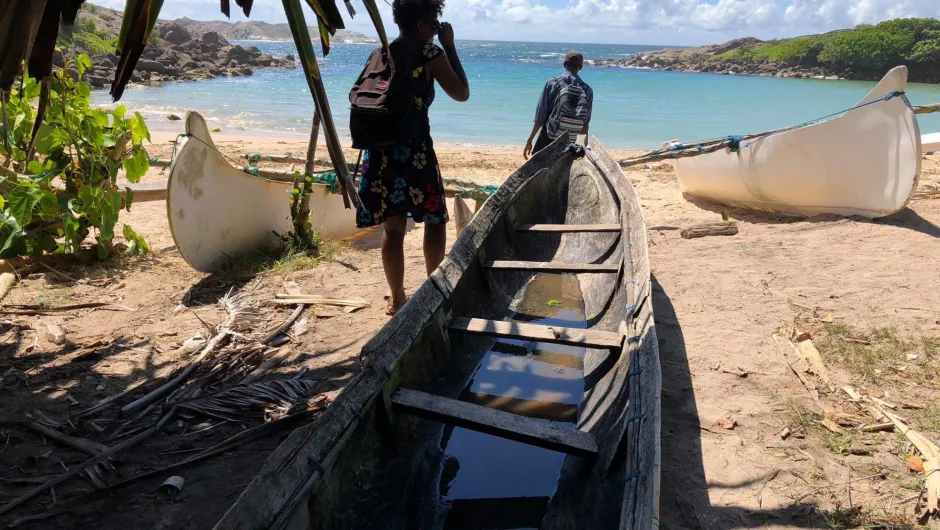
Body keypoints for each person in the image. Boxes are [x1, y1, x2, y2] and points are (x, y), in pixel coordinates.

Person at [355, 0, 469, 316]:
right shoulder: (430, 53)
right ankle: (433, 292)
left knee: (393, 228)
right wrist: (450, 46)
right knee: (434, 220)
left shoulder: (380, 52)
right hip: (415, 153)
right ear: (420, 25)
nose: (437, 29)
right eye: (435, 23)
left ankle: (397, 298)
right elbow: (461, 93)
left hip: (379, 154)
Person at [523, 50, 593, 159]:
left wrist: (530, 140)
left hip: (550, 137)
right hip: (571, 141)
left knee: (536, 167)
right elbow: (585, 124)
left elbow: (540, 117)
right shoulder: (588, 90)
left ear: (564, 64)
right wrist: (581, 150)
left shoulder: (553, 83)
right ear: (581, 67)